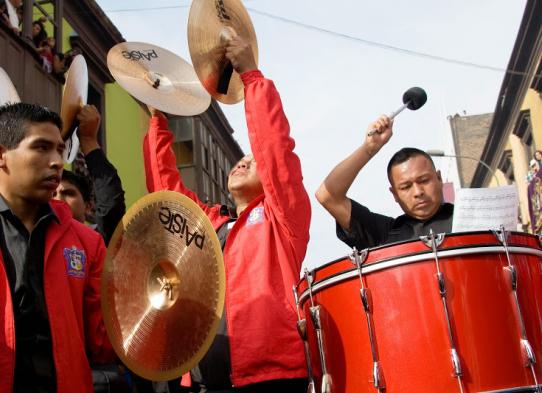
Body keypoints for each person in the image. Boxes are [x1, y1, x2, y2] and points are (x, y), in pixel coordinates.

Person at [144, 35, 311, 392]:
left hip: (269, 378)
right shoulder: (210, 223)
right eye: (240, 159)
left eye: (253, 161)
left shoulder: (280, 219)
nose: (243, 161)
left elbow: (276, 151)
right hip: (205, 379)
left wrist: (251, 76)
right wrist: (158, 120)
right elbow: (166, 193)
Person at [0, 103, 114, 393]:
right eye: (41, 148)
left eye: (59, 151)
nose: (56, 162)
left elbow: (103, 343)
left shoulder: (88, 243)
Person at [316, 115, 453, 250]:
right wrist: (369, 148)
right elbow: (327, 196)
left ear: (439, 179)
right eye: (406, 187)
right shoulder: (383, 234)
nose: (418, 192)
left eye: (424, 180)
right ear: (394, 194)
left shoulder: (468, 219)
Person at [54, 105, 126, 245]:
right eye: (51, 194)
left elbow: (110, 207)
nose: (58, 199)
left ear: (88, 206)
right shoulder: (30, 239)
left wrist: (88, 140)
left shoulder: (96, 243)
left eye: (68, 193)